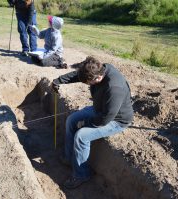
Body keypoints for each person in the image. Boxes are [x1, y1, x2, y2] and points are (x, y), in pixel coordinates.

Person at [51, 56, 134, 189]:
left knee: (81, 136)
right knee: (71, 120)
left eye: (88, 83)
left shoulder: (114, 87)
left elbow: (105, 118)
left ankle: (82, 174)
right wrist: (58, 81)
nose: (87, 85)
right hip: (100, 109)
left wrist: (85, 123)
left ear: (98, 78)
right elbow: (80, 75)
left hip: (116, 120)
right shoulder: (98, 69)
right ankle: (69, 158)